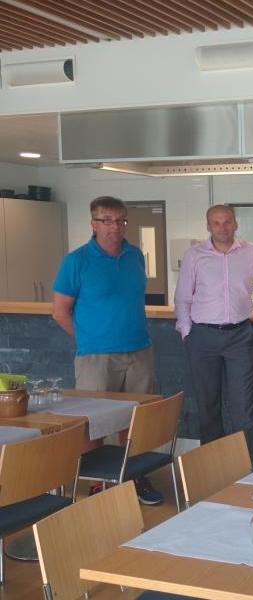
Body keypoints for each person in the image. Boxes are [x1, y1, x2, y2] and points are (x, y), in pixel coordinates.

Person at [52, 196, 163, 505]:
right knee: (93, 424)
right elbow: (60, 312)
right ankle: (98, 486)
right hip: (96, 357)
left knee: (137, 422)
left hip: (139, 351)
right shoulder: (76, 261)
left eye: (121, 220)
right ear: (94, 223)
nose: (116, 226)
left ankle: (135, 477)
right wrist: (89, 340)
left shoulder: (135, 255)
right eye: (107, 220)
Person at [174, 204, 253, 469]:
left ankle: (250, 469)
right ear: (208, 226)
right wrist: (188, 333)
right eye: (216, 223)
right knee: (208, 407)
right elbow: (183, 297)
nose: (222, 227)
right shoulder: (194, 255)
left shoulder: (251, 252)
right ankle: (212, 469)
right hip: (202, 337)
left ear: (236, 223)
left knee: (243, 408)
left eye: (227, 221)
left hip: (239, 337)